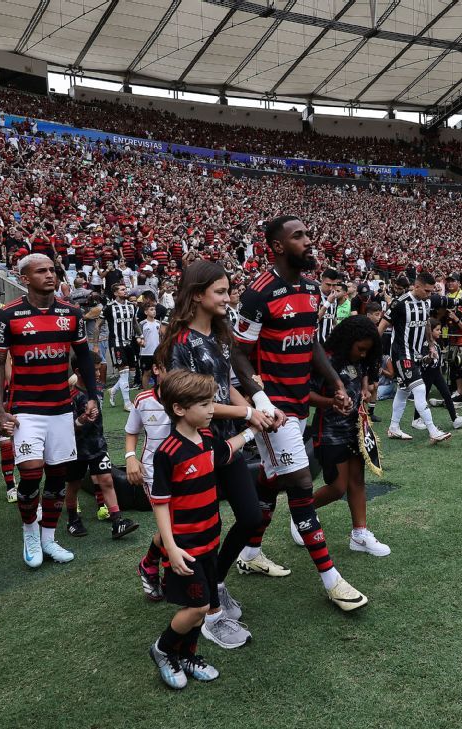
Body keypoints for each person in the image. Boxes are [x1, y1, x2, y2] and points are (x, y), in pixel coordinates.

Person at [229, 215, 368, 611]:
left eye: (308, 234)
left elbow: (312, 346)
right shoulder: (258, 292)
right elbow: (238, 353)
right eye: (299, 236)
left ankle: (250, 553)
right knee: (301, 485)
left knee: (272, 483)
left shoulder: (310, 288)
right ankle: (332, 580)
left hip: (299, 402)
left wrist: (336, 384)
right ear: (276, 245)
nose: (309, 241)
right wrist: (259, 400)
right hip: (275, 409)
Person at [156, 261, 269, 649]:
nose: (228, 297)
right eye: (220, 291)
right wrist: (246, 414)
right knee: (200, 528)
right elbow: (193, 402)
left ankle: (214, 583)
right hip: (196, 446)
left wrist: (257, 408)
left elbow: (227, 387)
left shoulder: (219, 336)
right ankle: (208, 612)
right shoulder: (180, 344)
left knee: (251, 516)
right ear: (197, 295)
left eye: (228, 290)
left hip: (226, 442)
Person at [147, 370, 259, 690]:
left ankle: (189, 656)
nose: (212, 409)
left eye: (212, 402)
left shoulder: (207, 438)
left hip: (211, 539)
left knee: (206, 602)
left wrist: (252, 431)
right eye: (205, 404)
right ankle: (164, 649)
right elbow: (160, 504)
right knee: (196, 608)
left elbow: (227, 449)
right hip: (186, 547)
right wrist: (169, 546)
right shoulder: (168, 452)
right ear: (180, 409)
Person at [0, 254, 103, 568]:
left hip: (61, 409)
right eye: (41, 271)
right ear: (24, 278)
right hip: (26, 409)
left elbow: (83, 358)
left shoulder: (71, 312)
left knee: (57, 477)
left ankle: (49, 539)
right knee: (30, 473)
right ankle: (29, 532)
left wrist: (92, 396)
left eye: (52, 270)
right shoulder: (8, 315)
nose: (49, 275)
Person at [304, 315, 391, 556]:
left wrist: (364, 387)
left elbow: (361, 371)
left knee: (358, 481)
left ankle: (360, 534)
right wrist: (331, 402)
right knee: (337, 487)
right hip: (329, 431)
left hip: (356, 429)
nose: (363, 355)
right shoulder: (326, 361)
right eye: (360, 349)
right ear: (348, 341)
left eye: (367, 351)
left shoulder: (359, 359)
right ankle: (302, 514)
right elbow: (305, 394)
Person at [64, 373, 138, 539]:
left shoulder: (97, 389)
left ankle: (117, 522)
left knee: (107, 480)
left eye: (97, 368)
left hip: (98, 446)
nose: (96, 372)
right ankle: (73, 520)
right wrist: (81, 420)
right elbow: (67, 426)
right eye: (93, 369)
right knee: (74, 484)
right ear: (78, 369)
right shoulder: (72, 396)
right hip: (77, 449)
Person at [382, 272, 450, 444]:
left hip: (416, 354)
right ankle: (433, 431)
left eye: (431, 292)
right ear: (417, 286)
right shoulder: (399, 303)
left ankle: (394, 428)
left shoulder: (426, 302)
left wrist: (432, 345)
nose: (429, 295)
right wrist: (374, 352)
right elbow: (382, 326)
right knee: (419, 389)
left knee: (403, 391)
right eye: (427, 291)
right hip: (401, 354)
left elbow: (426, 323)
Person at [126, 363, 173, 602]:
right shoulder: (143, 399)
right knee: (171, 526)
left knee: (179, 525)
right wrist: (130, 457)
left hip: (185, 469)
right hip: (153, 472)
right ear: (156, 369)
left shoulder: (188, 396)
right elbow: (131, 432)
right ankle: (168, 579)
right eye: (168, 366)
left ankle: (148, 563)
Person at [103, 284, 141, 410]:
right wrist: (96, 344)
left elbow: (134, 322)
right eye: (122, 289)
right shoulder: (109, 308)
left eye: (125, 289)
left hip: (129, 343)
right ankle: (127, 403)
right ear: (115, 293)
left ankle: (113, 390)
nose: (126, 291)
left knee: (131, 373)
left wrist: (140, 335)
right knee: (124, 373)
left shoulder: (131, 306)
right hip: (116, 343)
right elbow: (98, 325)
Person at [139, 302, 162, 391]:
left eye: (154, 309)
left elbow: (161, 337)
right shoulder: (142, 324)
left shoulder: (158, 323)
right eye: (151, 310)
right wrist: (141, 342)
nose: (154, 311)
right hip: (146, 353)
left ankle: (158, 390)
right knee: (147, 373)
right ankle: (145, 392)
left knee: (158, 372)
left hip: (157, 352)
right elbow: (139, 337)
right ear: (146, 312)